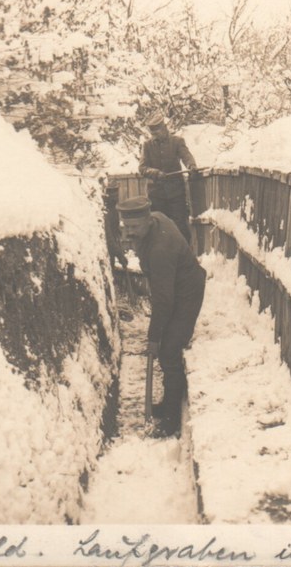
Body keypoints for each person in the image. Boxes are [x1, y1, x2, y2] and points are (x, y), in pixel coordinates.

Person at [116, 196, 207, 437]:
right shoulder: (157, 217)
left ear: (147, 221)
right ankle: (169, 402)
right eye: (127, 227)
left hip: (187, 294)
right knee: (167, 344)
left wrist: (153, 337)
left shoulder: (160, 250)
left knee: (168, 350)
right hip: (175, 286)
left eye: (135, 227)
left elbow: (163, 301)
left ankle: (171, 419)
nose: (130, 233)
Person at [138, 111, 198, 244]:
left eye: (157, 132)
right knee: (158, 229)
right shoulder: (147, 146)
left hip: (176, 194)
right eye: (152, 134)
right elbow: (142, 168)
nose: (155, 136)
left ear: (164, 128)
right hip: (156, 196)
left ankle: (184, 258)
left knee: (180, 227)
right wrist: (155, 173)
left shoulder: (177, 142)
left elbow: (186, 156)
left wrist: (192, 166)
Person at [102, 183, 128, 270]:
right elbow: (108, 237)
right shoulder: (105, 211)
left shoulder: (113, 208)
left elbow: (115, 233)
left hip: (111, 250)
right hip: (105, 252)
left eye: (116, 192)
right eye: (112, 192)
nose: (115, 195)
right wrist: (120, 255)